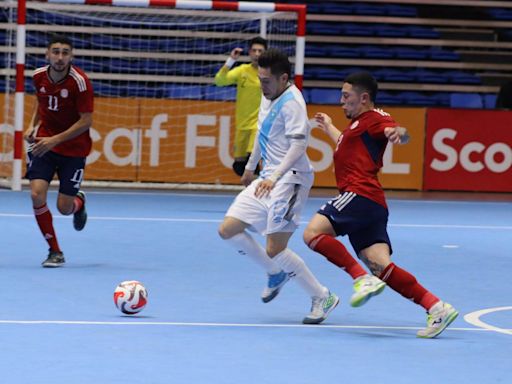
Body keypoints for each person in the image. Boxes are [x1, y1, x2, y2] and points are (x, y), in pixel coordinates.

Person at [303, 71, 458, 338]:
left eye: (346, 96)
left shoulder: (374, 118)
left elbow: (393, 129)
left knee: (312, 233)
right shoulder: (356, 127)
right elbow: (344, 142)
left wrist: (398, 133)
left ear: (364, 98)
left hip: (359, 195)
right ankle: (436, 307)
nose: (341, 101)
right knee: (380, 266)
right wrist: (327, 125)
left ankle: (360, 279)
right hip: (372, 204)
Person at [218, 48, 339, 324]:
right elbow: (263, 133)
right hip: (268, 178)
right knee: (228, 229)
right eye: (260, 79)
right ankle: (275, 272)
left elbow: (299, 144)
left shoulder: (293, 102)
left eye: (267, 80)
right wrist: (251, 168)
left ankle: (322, 296)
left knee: (276, 246)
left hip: (291, 178)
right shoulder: (268, 93)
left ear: (284, 78)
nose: (262, 85)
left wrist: (274, 177)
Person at [24, 35, 93, 268]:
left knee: (64, 208)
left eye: (65, 52)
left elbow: (86, 121)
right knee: (36, 194)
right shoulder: (38, 76)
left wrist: (54, 140)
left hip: (73, 148)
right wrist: (34, 124)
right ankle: (55, 251)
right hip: (45, 144)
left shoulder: (80, 82)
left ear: (71, 56)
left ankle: (78, 203)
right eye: (56, 52)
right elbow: (40, 101)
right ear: (47, 54)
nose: (60, 57)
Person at [214, 36, 267, 176]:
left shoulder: (268, 73)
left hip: (259, 124)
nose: (257, 54)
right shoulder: (242, 70)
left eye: (260, 51)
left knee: (253, 162)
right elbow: (219, 80)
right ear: (249, 52)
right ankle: (253, 190)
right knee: (239, 166)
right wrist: (231, 61)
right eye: (254, 50)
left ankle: (259, 193)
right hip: (242, 124)